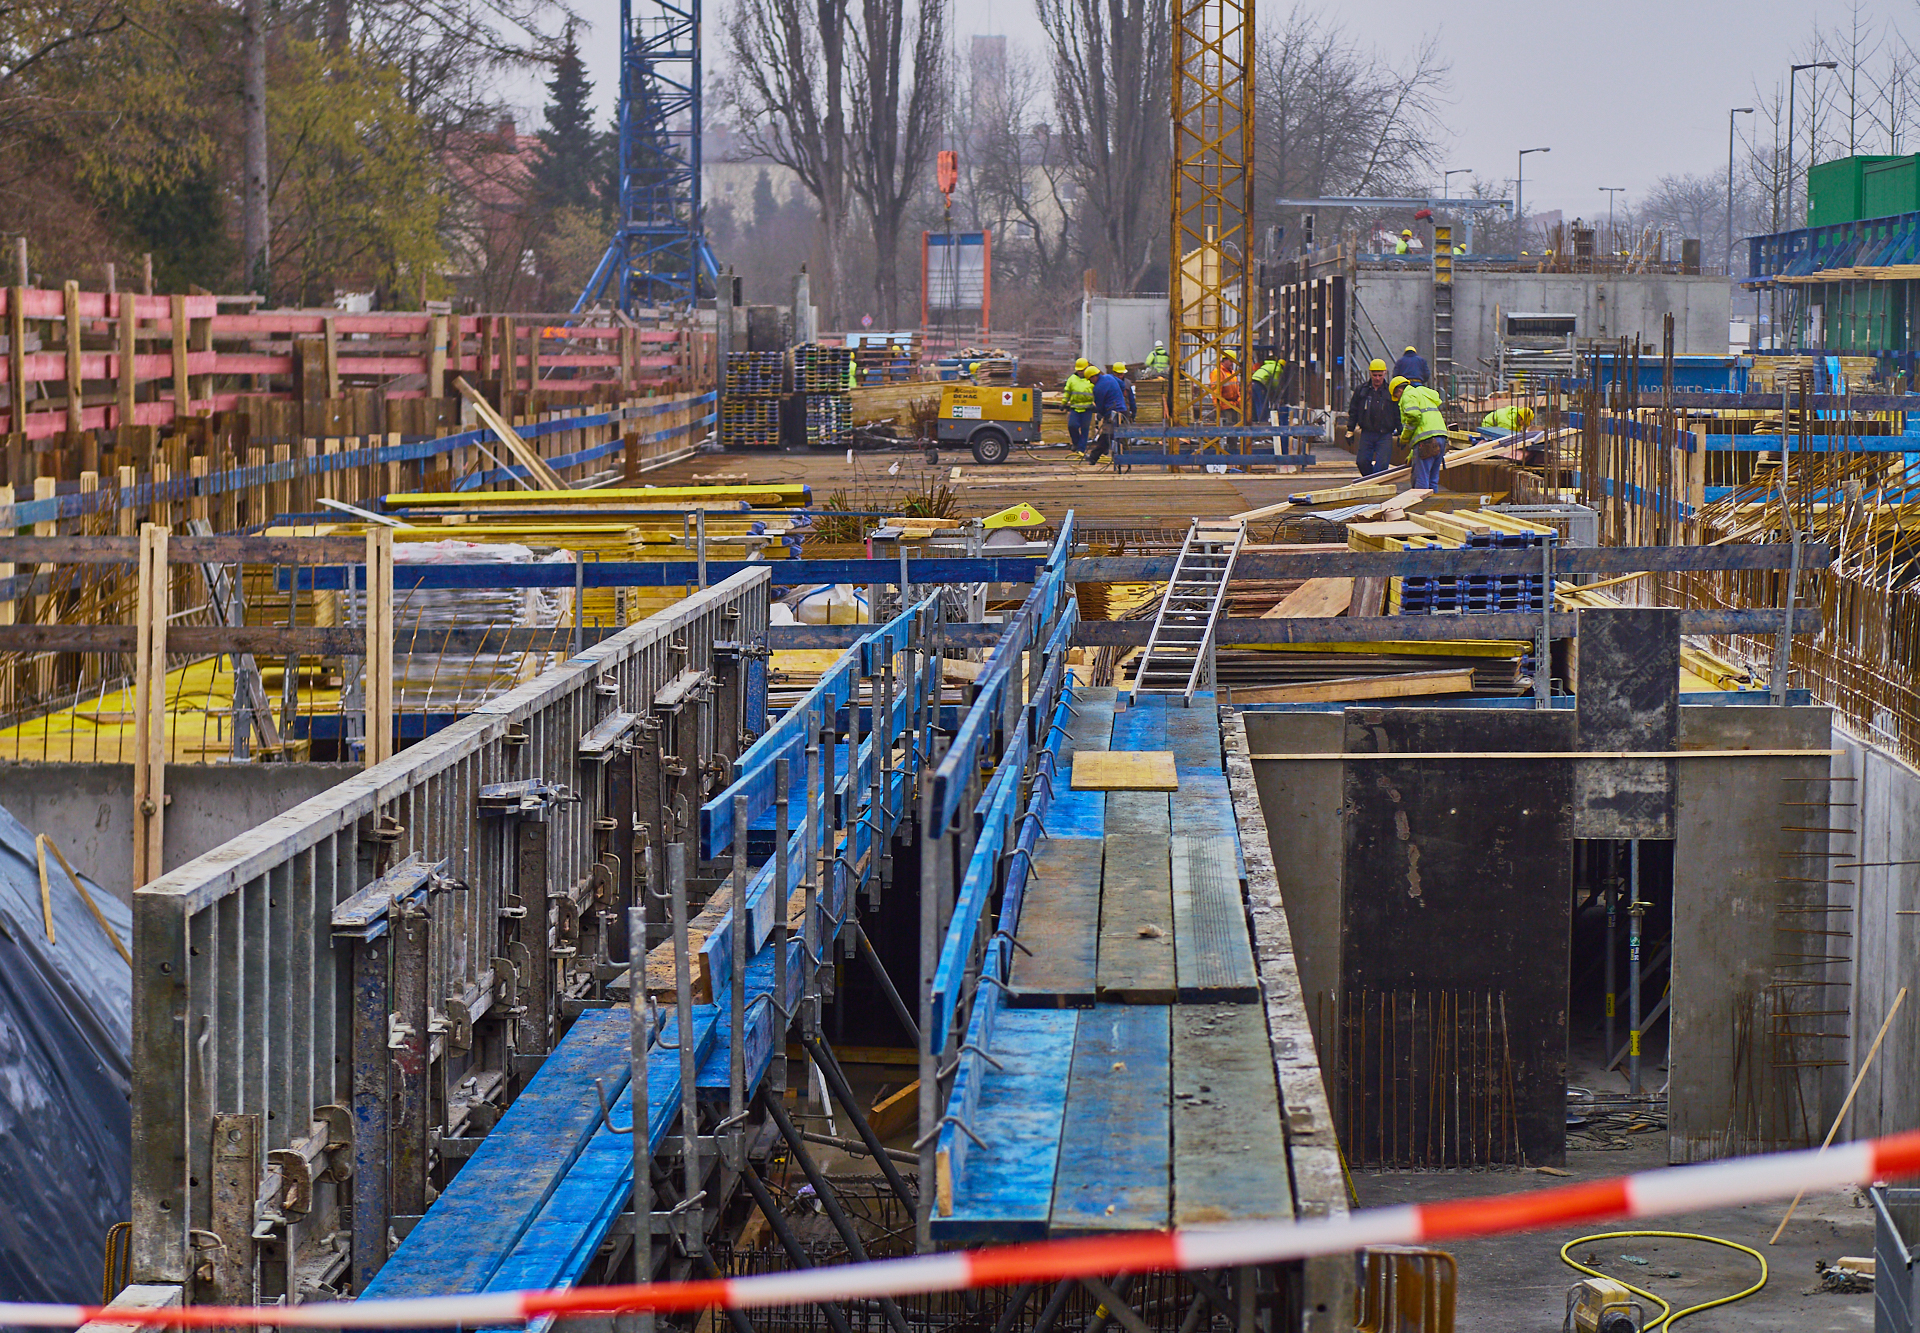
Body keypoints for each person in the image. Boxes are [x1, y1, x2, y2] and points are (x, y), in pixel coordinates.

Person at [1391, 374, 1450, 490]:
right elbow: (1424, 426)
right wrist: (1413, 454)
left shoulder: (1408, 395)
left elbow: (1414, 417)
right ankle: (1433, 506)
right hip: (1441, 437)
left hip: (1427, 441)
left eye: (1396, 396)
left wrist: (1404, 438)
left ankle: (1422, 507)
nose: (1397, 399)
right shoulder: (1422, 393)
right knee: (1433, 479)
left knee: (1421, 479)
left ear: (1399, 390)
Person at [1346, 358, 1398, 477]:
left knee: (1382, 466)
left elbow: (1397, 413)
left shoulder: (1390, 392)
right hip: (1367, 433)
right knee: (1362, 462)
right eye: (1375, 375)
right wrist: (1350, 430)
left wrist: (1400, 431)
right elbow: (1353, 411)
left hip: (1385, 434)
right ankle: (1371, 480)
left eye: (1380, 375)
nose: (1377, 378)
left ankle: (1375, 483)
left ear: (1385, 373)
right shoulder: (1362, 391)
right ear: (1370, 374)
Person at [1088, 363, 1129, 466]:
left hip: (1113, 414)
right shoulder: (1109, 377)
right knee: (1120, 436)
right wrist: (1118, 395)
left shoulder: (1098, 389)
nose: (1090, 382)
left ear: (1094, 376)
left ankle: (1094, 458)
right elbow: (1122, 385)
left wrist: (1100, 413)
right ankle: (1124, 458)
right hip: (1123, 411)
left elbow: (1100, 405)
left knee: (1106, 436)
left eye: (1090, 379)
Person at [1064, 359, 1096, 455]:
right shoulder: (1072, 379)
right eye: (1079, 370)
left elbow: (1097, 392)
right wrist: (1063, 402)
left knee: (1084, 429)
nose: (1081, 372)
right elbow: (1067, 392)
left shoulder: (1090, 379)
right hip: (1075, 408)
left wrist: (1096, 405)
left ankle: (1081, 449)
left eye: (1082, 370)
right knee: (1072, 426)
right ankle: (1076, 443)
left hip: (1087, 409)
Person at [1249, 351, 1285, 424]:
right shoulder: (1277, 368)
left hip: (1252, 382)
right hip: (1259, 384)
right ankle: (1263, 422)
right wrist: (1278, 393)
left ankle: (1255, 420)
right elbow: (1275, 383)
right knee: (1262, 404)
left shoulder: (1267, 365)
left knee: (1255, 403)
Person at [1210, 349, 1241, 424]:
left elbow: (1237, 390)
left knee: (1237, 428)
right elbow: (1216, 392)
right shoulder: (1218, 372)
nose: (1232, 363)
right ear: (1224, 360)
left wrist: (1239, 402)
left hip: (1234, 406)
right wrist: (1218, 407)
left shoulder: (1232, 373)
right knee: (1229, 428)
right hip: (1225, 407)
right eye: (1230, 361)